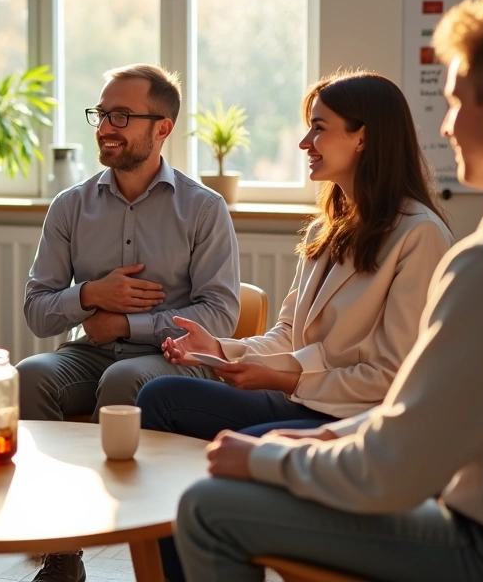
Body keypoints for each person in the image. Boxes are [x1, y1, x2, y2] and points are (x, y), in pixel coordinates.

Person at [175, 0, 483, 582]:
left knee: (206, 506)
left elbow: (395, 468)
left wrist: (266, 457)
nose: (445, 127)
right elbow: (426, 413)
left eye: (453, 103)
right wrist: (306, 441)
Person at [138, 70, 454, 580]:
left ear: (363, 136)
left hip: (349, 415)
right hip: (301, 395)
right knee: (158, 399)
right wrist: (219, 347)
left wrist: (281, 378)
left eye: (318, 128)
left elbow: (393, 379)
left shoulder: (420, 237)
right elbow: (288, 333)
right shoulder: (331, 228)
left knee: (228, 457)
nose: (305, 142)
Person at [18, 64, 240, 582]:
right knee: (29, 372)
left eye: (122, 115)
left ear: (162, 128)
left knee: (124, 380)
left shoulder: (204, 209)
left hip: (172, 359)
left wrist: (127, 324)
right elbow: (36, 308)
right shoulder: (70, 206)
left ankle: (119, 527)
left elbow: (221, 314)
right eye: (101, 113)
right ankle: (62, 549)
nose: (104, 127)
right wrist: (91, 294)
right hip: (87, 351)